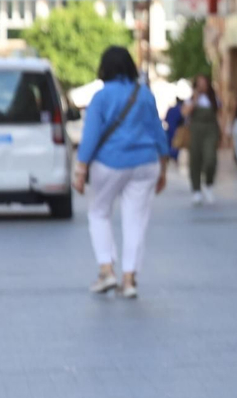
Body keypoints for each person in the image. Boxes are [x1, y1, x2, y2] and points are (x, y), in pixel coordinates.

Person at [72, 45, 171, 300]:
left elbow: (91, 135)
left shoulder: (101, 97)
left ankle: (107, 271)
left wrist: (81, 168)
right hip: (146, 163)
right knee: (135, 220)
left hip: (109, 163)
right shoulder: (145, 95)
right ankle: (129, 280)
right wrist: (164, 169)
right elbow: (159, 133)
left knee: (98, 213)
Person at [182, 74, 222, 205]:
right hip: (195, 132)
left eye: (203, 82)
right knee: (195, 160)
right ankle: (196, 190)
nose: (201, 85)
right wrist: (195, 99)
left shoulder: (214, 99)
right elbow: (185, 113)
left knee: (210, 159)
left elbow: (220, 115)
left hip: (210, 131)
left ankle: (209, 184)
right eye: (199, 83)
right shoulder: (191, 99)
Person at [164, 98, 185, 164]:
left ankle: (168, 156)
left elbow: (165, 119)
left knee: (169, 143)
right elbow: (183, 120)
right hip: (177, 130)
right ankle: (174, 158)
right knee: (176, 144)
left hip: (170, 129)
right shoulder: (181, 109)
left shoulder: (171, 109)